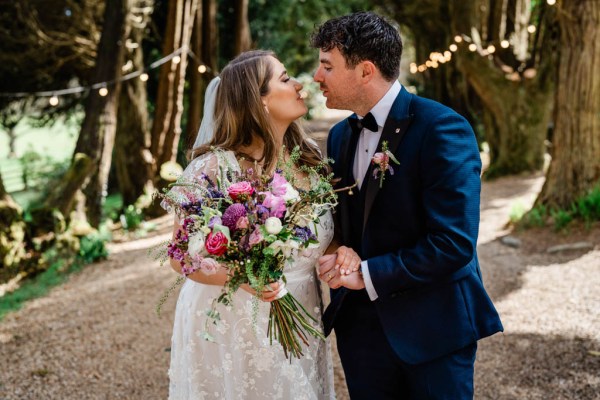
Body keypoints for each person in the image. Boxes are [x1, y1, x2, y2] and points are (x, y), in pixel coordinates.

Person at [311, 11, 504, 399]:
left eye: (327, 66)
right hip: (361, 333)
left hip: (433, 329)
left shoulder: (442, 128)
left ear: (365, 71)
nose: (317, 77)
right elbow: (346, 225)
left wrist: (366, 273)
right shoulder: (337, 138)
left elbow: (452, 243)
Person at [163, 50, 335, 399]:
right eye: (285, 78)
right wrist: (243, 278)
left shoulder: (310, 158)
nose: (299, 84)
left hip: (302, 307)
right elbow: (180, 256)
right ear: (259, 101)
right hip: (233, 319)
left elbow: (324, 234)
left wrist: (337, 252)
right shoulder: (213, 169)